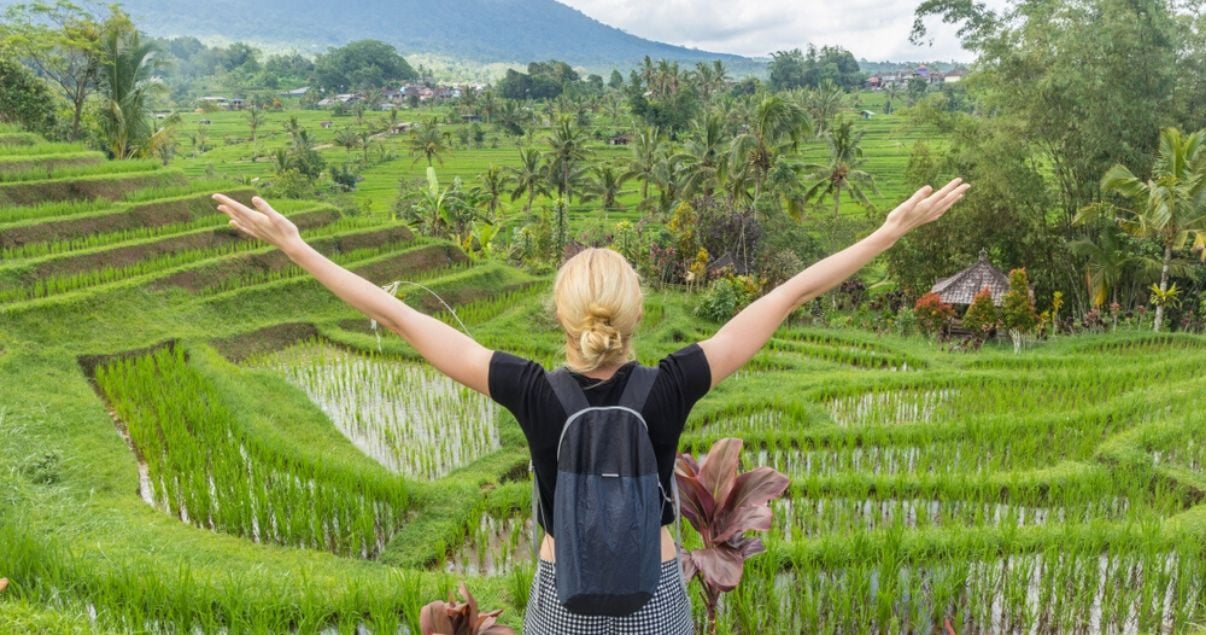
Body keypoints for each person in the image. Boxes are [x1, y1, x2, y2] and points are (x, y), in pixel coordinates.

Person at [212, 177, 968, 633]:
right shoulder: (672, 383)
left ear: (563, 318)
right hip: (654, 600)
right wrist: (889, 230)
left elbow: (406, 320)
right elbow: (790, 292)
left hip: (561, 601)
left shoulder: (532, 391)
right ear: (636, 315)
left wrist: (298, 248)